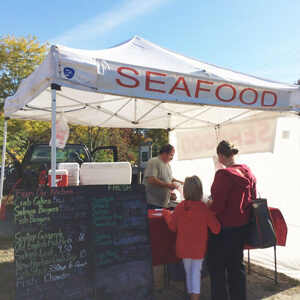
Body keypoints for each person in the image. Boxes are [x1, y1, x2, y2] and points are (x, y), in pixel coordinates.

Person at [207, 140, 257, 300]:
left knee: (216, 267)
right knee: (236, 265)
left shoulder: (223, 175)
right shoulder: (247, 171)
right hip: (242, 226)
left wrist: (208, 202)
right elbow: (253, 198)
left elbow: (217, 207)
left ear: (221, 155)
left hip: (224, 229)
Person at [163, 176, 220, 300]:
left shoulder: (179, 207)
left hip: (183, 247)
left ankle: (192, 297)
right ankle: (194, 298)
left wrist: (166, 214)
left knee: (189, 273)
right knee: (195, 273)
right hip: (198, 248)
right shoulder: (204, 207)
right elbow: (216, 229)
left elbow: (172, 227)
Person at [143, 144, 183, 209]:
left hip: (163, 203)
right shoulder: (154, 162)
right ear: (164, 153)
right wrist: (169, 185)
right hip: (152, 203)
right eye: (171, 155)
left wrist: (182, 183)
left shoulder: (167, 165)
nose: (172, 158)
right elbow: (152, 179)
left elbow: (171, 179)